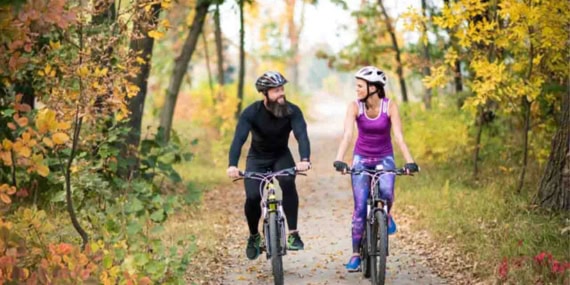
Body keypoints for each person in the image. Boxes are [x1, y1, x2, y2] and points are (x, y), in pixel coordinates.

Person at [333, 66, 419, 272]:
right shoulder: (354, 107)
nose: (357, 89)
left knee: (387, 192)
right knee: (361, 208)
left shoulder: (389, 106)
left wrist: (409, 161)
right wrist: (339, 159)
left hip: (384, 157)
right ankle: (355, 254)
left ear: (373, 87)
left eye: (360, 86)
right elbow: (347, 135)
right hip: (361, 158)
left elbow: (398, 136)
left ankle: (386, 214)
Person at [226, 71, 312, 260]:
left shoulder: (292, 110)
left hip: (281, 155)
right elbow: (238, 139)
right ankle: (254, 236)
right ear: (265, 94)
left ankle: (293, 234)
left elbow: (301, 135)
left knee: (288, 182)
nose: (281, 94)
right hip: (257, 158)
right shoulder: (251, 112)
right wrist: (232, 164)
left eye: (282, 89)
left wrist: (304, 159)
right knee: (253, 196)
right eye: (276, 91)